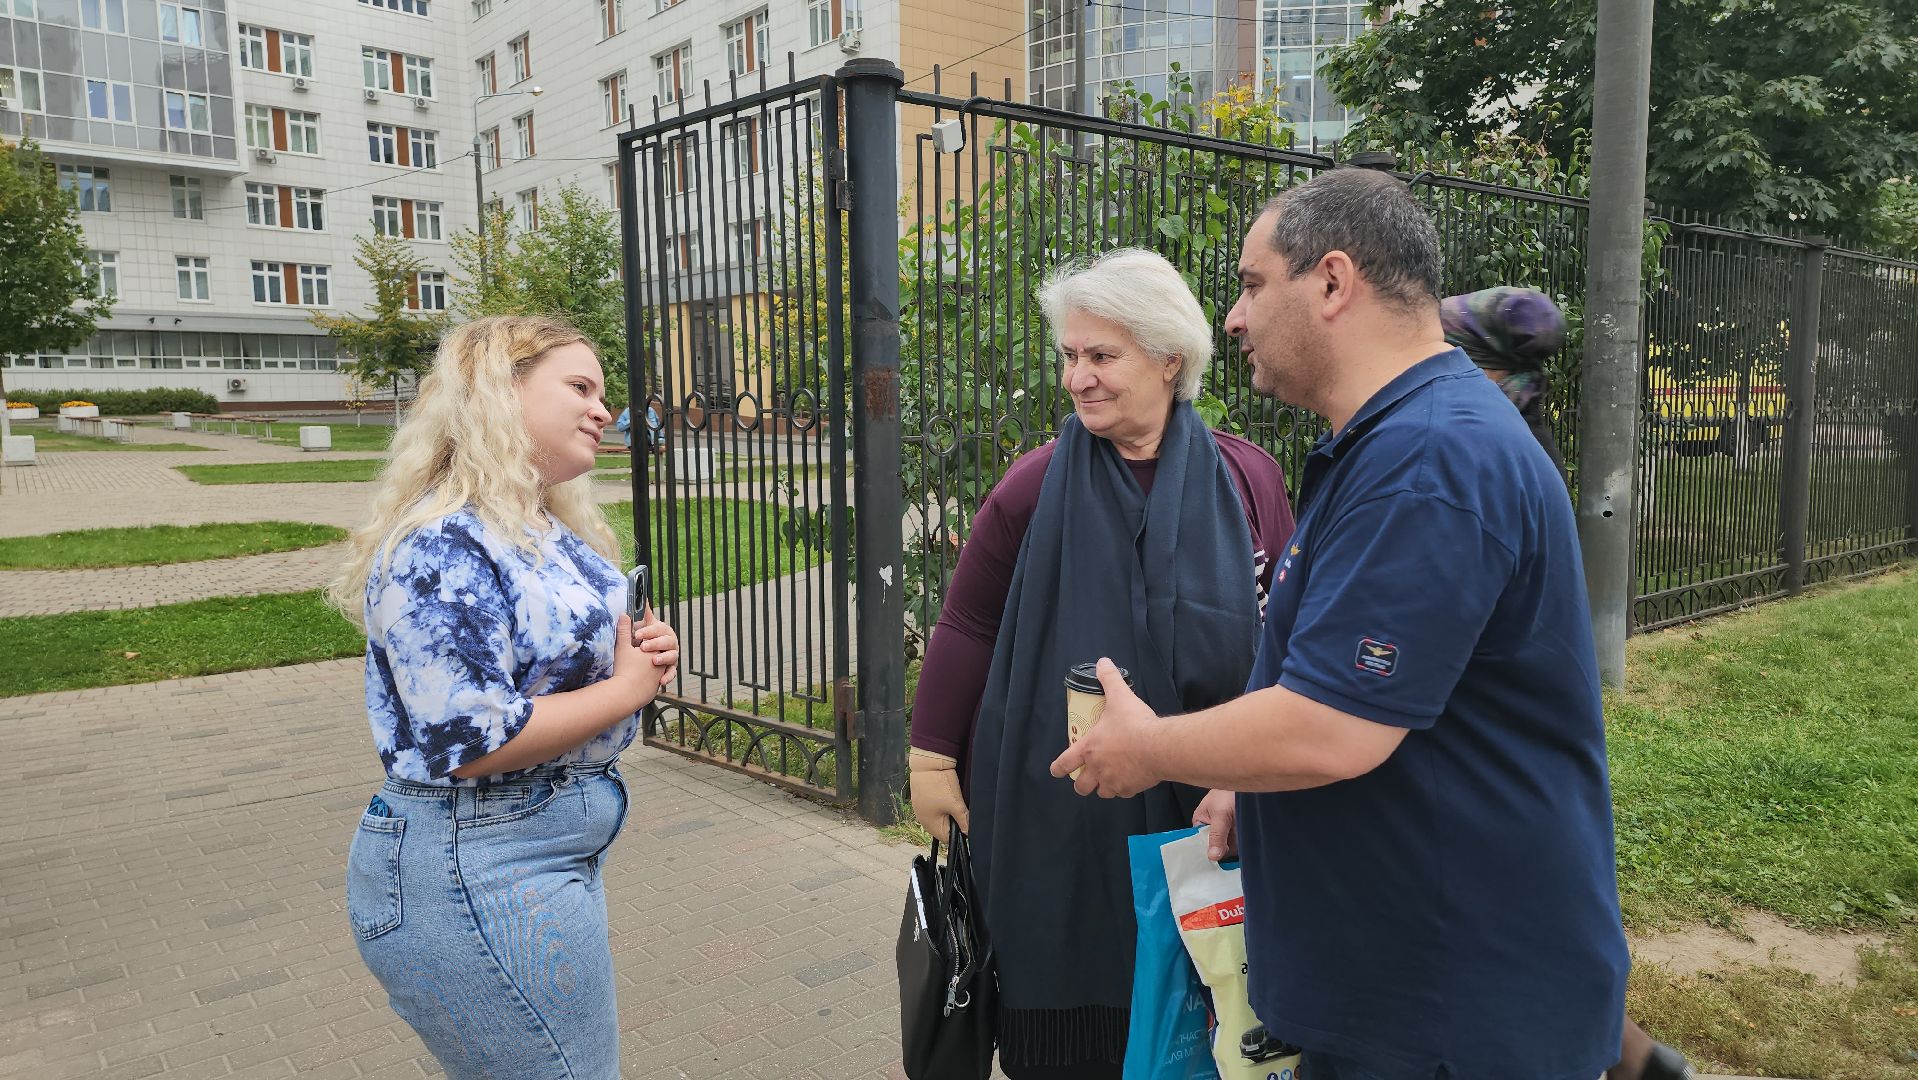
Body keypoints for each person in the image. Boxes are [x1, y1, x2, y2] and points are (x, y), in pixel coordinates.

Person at [1052, 169, 1630, 1080]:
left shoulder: (1428, 460)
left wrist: (1155, 747)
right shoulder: (1393, 441)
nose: (1233, 319)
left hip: (1444, 1013)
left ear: (1331, 282)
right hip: (1408, 992)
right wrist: (1249, 785)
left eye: (1250, 285)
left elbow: (1332, 728)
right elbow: (1355, 680)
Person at [906, 248, 1294, 1079]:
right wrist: (930, 753)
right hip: (1062, 809)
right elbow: (968, 622)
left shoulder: (1247, 479)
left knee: (1211, 1020)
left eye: (1101, 356)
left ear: (1169, 358)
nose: (1078, 378)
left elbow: (1288, 633)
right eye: (1070, 356)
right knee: (1073, 1017)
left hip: (1211, 799)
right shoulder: (1032, 485)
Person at [330, 315, 680, 1080]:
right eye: (580, 387)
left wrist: (643, 655)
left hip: (533, 853)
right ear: (500, 392)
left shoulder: (541, 528)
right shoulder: (441, 544)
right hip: (475, 864)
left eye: (603, 392)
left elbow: (572, 667)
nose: (603, 409)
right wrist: (626, 688)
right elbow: (472, 742)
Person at [1442, 286, 1697, 1080]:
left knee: (1513, 929)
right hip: (1519, 743)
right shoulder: (1516, 433)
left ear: (1478, 366)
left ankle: (1627, 1058)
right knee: (1530, 927)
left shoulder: (1479, 454)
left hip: (1492, 742)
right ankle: (1636, 1061)